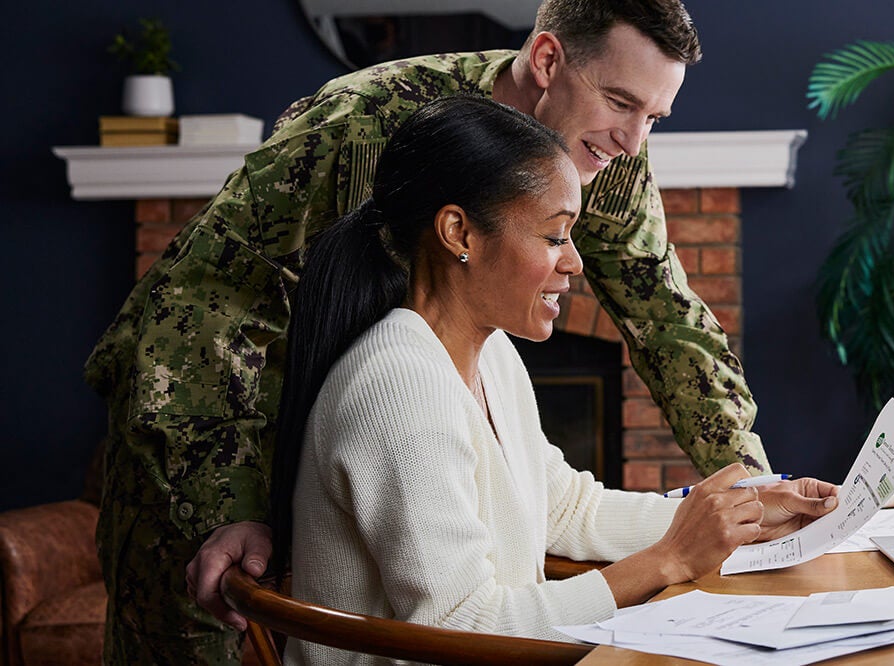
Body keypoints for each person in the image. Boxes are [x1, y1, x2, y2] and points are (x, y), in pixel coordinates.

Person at [85, 0, 770, 662]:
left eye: (654, 116)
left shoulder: (604, 158)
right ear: (547, 58)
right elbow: (198, 311)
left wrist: (755, 503)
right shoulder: (361, 121)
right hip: (197, 443)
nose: (633, 138)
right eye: (621, 103)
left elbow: (672, 329)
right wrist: (226, 505)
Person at [276, 95, 834, 663]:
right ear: (458, 233)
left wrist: (742, 513)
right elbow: (463, 625)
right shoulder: (398, 388)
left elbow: (566, 510)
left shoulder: (489, 355)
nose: (575, 263)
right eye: (553, 236)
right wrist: (666, 560)